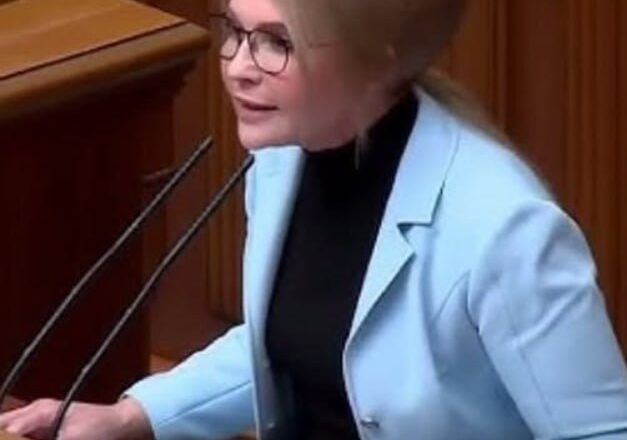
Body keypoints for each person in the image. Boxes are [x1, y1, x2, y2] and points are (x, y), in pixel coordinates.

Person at [2, 0, 627, 438]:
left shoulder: (507, 231)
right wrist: (131, 417)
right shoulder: (283, 160)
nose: (238, 65)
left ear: (379, 60)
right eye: (235, 30)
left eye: (277, 43)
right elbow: (289, 343)